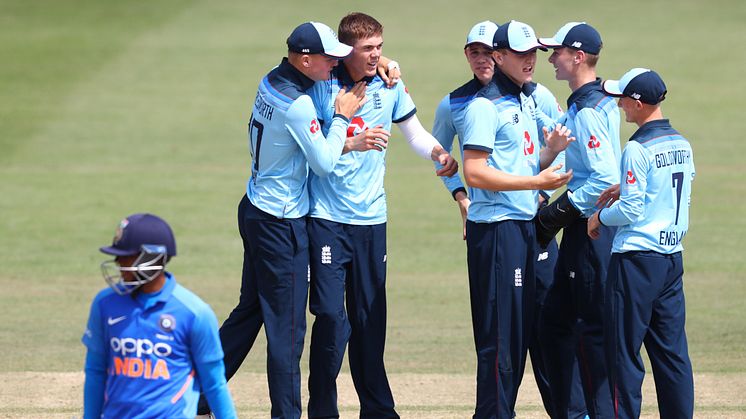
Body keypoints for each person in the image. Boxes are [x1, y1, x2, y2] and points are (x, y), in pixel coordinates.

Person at [195, 21, 368, 419]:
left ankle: (194, 397)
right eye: (329, 60)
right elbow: (322, 164)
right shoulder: (300, 103)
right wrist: (342, 119)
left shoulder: (272, 79)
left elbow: (302, 142)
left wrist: (382, 64)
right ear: (305, 60)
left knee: (250, 311)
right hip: (282, 225)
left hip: (255, 209)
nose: (335, 67)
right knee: (288, 334)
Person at [430, 20, 588, 418]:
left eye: (533, 52)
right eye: (520, 54)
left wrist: (549, 154)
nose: (530, 60)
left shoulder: (527, 99)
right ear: (499, 57)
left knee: (539, 330)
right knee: (503, 340)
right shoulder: (484, 107)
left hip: (525, 228)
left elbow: (518, 164)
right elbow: (476, 172)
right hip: (498, 233)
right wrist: (537, 179)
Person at [304, 12, 458, 419]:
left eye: (380, 48)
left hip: (372, 221)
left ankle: (378, 411)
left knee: (371, 319)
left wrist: (438, 153)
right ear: (346, 51)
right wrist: (353, 141)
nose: (377, 56)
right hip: (327, 220)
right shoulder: (323, 85)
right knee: (331, 320)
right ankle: (322, 411)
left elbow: (414, 133)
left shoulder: (390, 84)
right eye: (368, 49)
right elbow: (313, 151)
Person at [589, 68, 695, 418]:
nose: (618, 104)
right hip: (671, 259)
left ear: (637, 103)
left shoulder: (637, 147)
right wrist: (627, 185)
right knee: (672, 354)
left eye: (622, 98)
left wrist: (599, 218)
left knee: (622, 355)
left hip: (635, 263)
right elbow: (669, 186)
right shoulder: (681, 142)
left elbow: (632, 210)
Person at [535, 22, 620, 418]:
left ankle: (589, 412)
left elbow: (605, 177)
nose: (551, 58)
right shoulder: (602, 96)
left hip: (590, 229)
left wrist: (558, 211)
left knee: (587, 328)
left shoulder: (586, 109)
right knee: (555, 321)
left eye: (557, 52)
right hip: (586, 226)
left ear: (578, 56)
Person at [82, 213, 237, 419]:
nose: (118, 262)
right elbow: (95, 370)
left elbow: (214, 383)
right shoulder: (104, 304)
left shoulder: (195, 314)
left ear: (151, 258)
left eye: (126, 255)